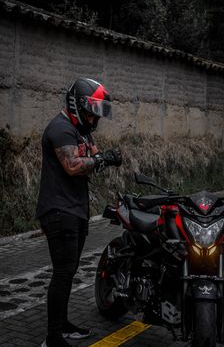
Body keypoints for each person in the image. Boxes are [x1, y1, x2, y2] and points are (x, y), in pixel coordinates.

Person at [36, 77, 122, 347]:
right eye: (91, 111)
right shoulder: (60, 129)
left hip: (75, 209)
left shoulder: (81, 130)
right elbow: (73, 165)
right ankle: (52, 337)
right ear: (76, 105)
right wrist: (100, 158)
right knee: (62, 273)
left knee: (70, 271)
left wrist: (104, 157)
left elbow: (94, 156)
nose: (94, 118)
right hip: (59, 210)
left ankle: (62, 325)